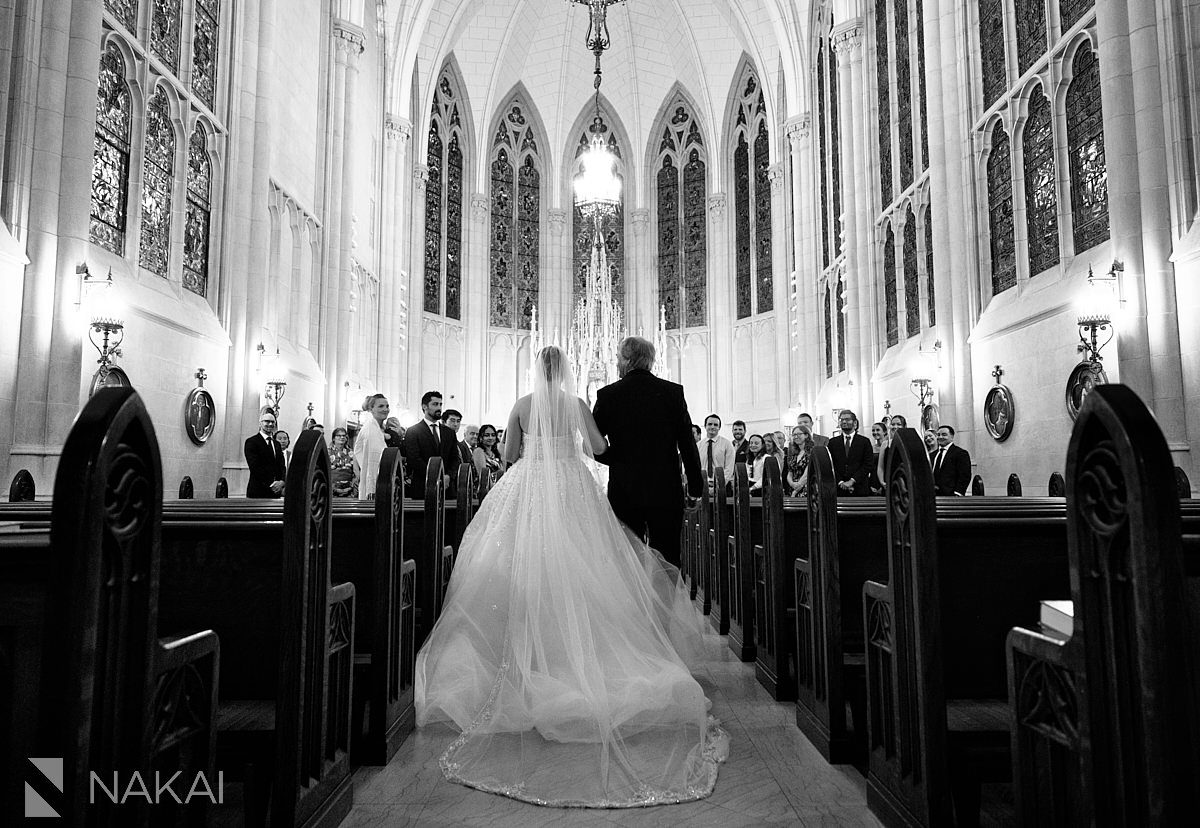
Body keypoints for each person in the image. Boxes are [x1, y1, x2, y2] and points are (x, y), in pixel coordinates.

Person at [416, 344, 726, 807]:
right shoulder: (579, 403)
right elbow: (599, 448)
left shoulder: (523, 405)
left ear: (534, 369)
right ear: (564, 371)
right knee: (589, 565)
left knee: (522, 564)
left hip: (531, 487)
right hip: (575, 484)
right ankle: (600, 645)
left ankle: (527, 651)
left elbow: (509, 453)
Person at [592, 336, 705, 568]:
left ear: (627, 360)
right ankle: (665, 604)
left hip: (624, 489)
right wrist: (695, 489)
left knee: (627, 559)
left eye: (617, 358)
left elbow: (594, 444)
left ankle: (633, 604)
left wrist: (620, 459)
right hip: (665, 490)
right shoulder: (672, 393)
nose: (616, 363)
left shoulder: (608, 395)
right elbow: (687, 444)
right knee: (668, 558)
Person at [404, 390, 461, 498]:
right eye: (435, 404)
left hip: (447, 489)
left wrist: (449, 476)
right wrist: (436, 476)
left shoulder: (449, 432)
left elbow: (455, 458)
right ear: (425, 406)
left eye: (440, 404)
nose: (439, 408)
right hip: (423, 487)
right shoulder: (413, 431)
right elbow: (414, 459)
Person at [828, 409, 874, 496]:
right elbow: (830, 464)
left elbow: (868, 464)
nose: (844, 421)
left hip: (860, 488)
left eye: (847, 419)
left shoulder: (864, 442)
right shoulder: (832, 442)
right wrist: (840, 482)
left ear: (855, 423)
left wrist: (852, 481)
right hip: (838, 489)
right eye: (841, 420)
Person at [354, 394, 389, 500]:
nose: (385, 409)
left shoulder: (376, 428)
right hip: (373, 487)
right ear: (371, 409)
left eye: (387, 406)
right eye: (381, 406)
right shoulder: (370, 429)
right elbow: (372, 463)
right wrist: (371, 489)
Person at [244, 408, 285, 498]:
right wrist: (272, 484)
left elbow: (282, 466)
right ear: (260, 423)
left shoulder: (277, 444)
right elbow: (255, 466)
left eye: (272, 422)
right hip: (258, 491)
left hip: (275, 492)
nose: (270, 424)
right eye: (267, 421)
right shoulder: (252, 442)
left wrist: (281, 482)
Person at [931, 425, 972, 496]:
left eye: (944, 435)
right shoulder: (932, 455)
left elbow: (965, 475)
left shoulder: (960, 453)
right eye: (938, 435)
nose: (940, 437)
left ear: (952, 437)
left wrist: (958, 493)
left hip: (951, 495)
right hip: (933, 495)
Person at [698, 414, 735, 484]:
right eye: (710, 424)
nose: (712, 427)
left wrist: (719, 485)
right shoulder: (698, 446)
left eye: (715, 425)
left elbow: (729, 469)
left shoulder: (727, 444)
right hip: (702, 485)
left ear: (719, 427)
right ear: (705, 426)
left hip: (722, 486)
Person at [329, 426, 357, 498]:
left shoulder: (351, 452)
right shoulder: (327, 452)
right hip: (332, 488)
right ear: (333, 438)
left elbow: (356, 471)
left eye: (344, 435)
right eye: (339, 436)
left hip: (349, 488)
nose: (342, 437)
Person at [785, 425, 813, 496]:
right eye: (794, 435)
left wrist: (796, 491)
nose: (796, 437)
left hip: (806, 489)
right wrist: (791, 483)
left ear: (806, 435)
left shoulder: (811, 452)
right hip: (793, 488)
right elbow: (790, 472)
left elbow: (807, 474)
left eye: (799, 434)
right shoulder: (795, 454)